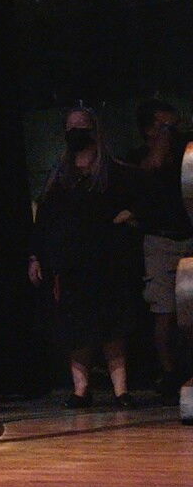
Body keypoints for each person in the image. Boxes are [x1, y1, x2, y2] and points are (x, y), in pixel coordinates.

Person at [29, 107, 145, 408]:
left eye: (80, 126)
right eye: (70, 127)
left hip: (107, 261)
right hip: (71, 263)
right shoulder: (59, 176)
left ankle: (121, 390)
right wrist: (35, 257)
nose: (75, 133)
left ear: (94, 129)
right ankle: (81, 389)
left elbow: (142, 201)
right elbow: (44, 221)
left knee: (112, 326)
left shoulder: (114, 172)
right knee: (76, 328)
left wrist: (128, 216)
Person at [127, 100, 193, 400]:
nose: (171, 131)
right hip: (160, 241)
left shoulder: (185, 154)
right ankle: (169, 373)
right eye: (164, 126)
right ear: (149, 129)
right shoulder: (138, 160)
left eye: (173, 125)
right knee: (163, 309)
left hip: (188, 237)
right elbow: (143, 185)